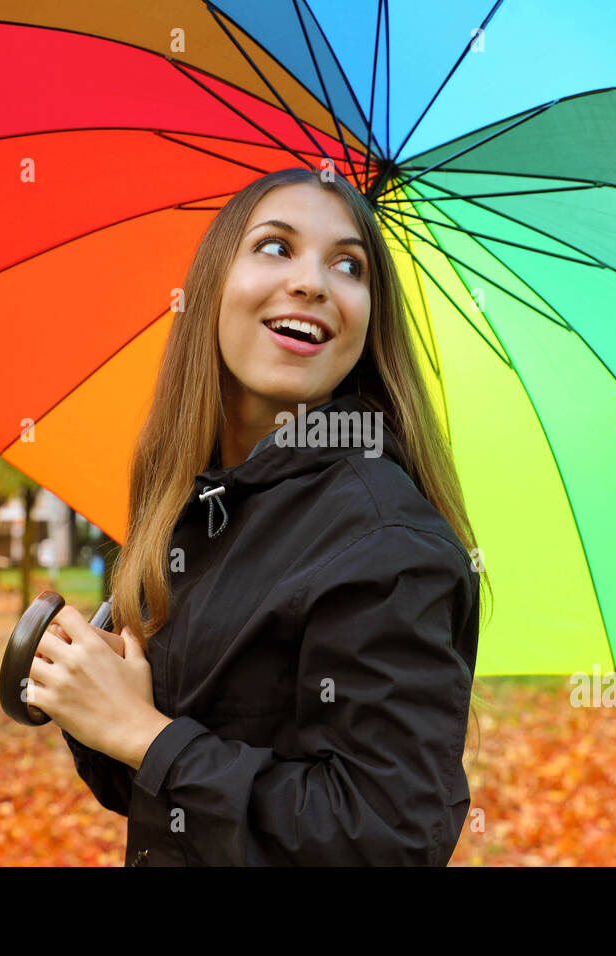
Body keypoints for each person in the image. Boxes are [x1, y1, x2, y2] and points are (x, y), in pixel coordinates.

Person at [26, 166, 492, 866]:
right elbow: (157, 799)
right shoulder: (198, 509)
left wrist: (143, 734)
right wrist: (90, 696)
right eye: (276, 246)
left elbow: (387, 839)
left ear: (369, 318)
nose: (313, 282)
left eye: (348, 265)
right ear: (211, 284)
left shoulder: (387, 544)